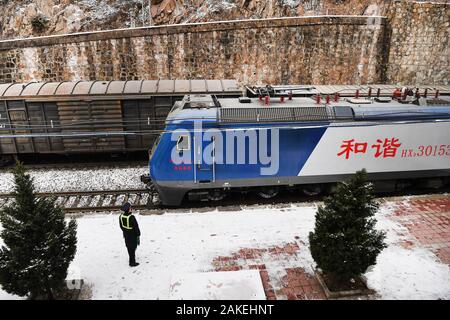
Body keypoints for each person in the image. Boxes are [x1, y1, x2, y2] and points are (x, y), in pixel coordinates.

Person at [119, 202, 141, 267]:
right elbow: (136, 227)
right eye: (130, 208)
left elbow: (121, 226)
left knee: (128, 247)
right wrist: (138, 234)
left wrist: (125, 231)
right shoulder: (131, 217)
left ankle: (131, 257)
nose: (131, 209)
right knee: (133, 247)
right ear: (128, 210)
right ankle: (132, 262)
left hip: (126, 235)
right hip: (132, 235)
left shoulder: (121, 216)